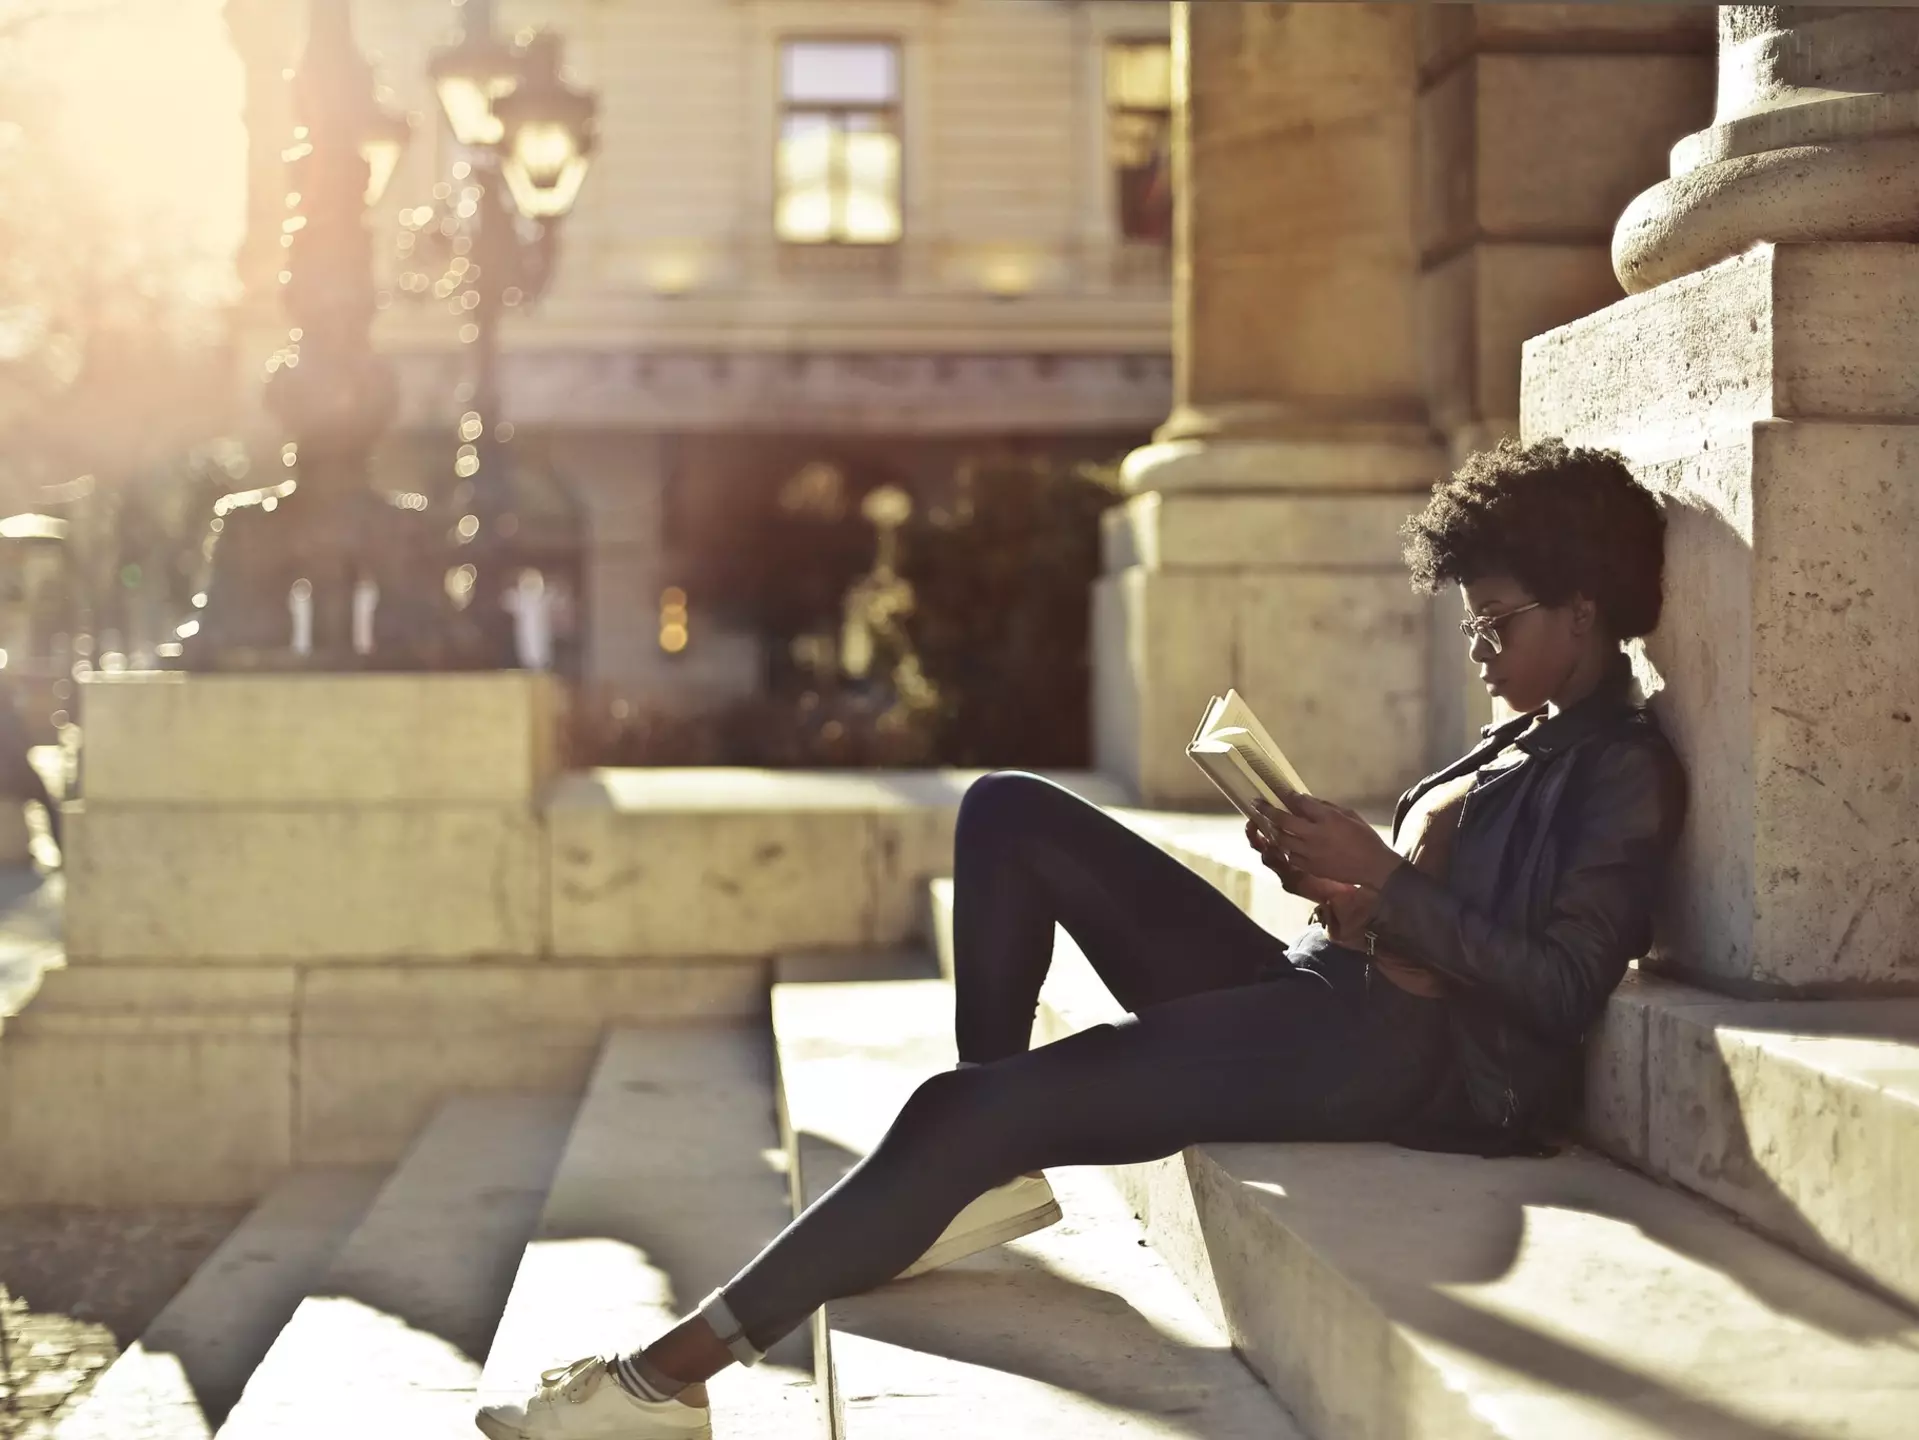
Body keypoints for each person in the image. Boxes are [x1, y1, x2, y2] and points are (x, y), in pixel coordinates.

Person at [475, 437, 1687, 1440]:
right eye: (1469, 623)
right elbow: (1427, 899)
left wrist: (1383, 887)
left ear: (1584, 612)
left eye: (1499, 622)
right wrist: (1328, 874)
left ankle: (672, 1375)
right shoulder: (1512, 734)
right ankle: (991, 1159)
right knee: (1007, 809)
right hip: (1336, 988)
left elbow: (1566, 986)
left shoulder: (1621, 770)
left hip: (1405, 1058)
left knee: (968, 1109)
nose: (1477, 647)